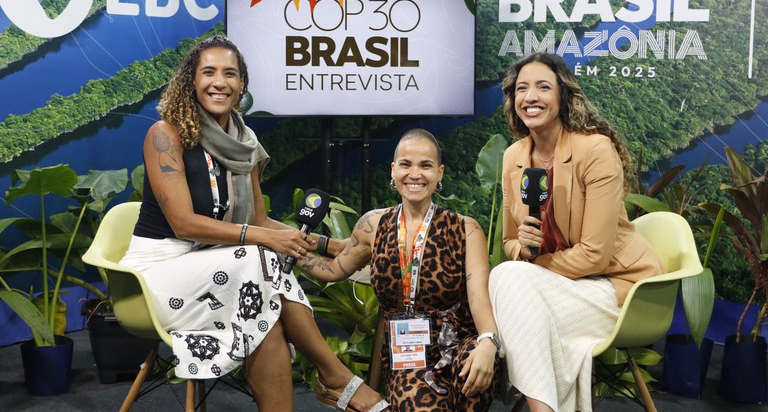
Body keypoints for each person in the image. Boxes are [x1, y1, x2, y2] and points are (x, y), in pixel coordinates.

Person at [118, 34, 388, 412]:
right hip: (158, 274)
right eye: (209, 72)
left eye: (230, 73)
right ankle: (334, 374)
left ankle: (330, 381)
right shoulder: (165, 135)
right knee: (256, 256)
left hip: (218, 266)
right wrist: (260, 237)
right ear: (191, 80)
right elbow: (183, 224)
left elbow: (259, 220)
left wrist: (331, 246)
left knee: (267, 322)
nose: (219, 82)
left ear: (242, 84)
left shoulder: (245, 143)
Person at [488, 52, 665, 412]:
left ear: (563, 95)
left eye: (543, 87)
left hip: (617, 286)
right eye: (521, 89)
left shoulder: (594, 150)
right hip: (558, 286)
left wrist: (530, 266)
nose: (530, 97)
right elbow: (509, 241)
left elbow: (594, 256)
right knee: (519, 292)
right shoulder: (513, 158)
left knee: (511, 285)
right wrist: (523, 248)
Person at [298, 128, 500, 411]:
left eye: (425, 166)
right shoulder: (374, 225)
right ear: (393, 170)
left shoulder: (466, 229)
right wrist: (289, 250)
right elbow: (334, 268)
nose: (415, 174)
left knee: (474, 376)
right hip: (407, 352)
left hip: (458, 342)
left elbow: (479, 299)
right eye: (406, 165)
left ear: (439, 172)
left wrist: (488, 342)